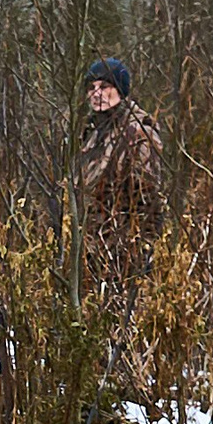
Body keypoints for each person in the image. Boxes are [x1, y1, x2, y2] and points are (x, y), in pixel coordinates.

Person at [73, 56, 165, 289]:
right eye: (91, 88)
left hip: (123, 252)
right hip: (91, 250)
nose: (96, 93)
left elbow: (148, 199)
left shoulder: (137, 133)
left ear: (120, 90)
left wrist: (142, 253)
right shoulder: (91, 133)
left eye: (104, 87)